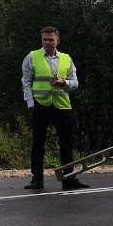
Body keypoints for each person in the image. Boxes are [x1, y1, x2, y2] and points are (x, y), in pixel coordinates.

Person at [21, 26, 87, 190]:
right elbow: (26, 81)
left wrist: (63, 83)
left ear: (58, 40)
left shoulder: (66, 58)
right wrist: (30, 103)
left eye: (51, 39)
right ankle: (37, 179)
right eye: (44, 39)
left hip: (62, 106)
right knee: (38, 143)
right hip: (40, 105)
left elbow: (75, 83)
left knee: (66, 143)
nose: (47, 42)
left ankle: (69, 179)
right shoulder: (32, 56)